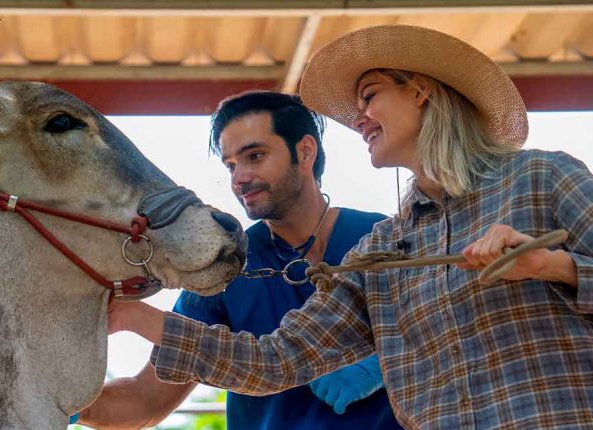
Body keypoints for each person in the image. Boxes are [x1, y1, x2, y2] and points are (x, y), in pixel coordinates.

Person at [108, 24, 593, 429]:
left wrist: (554, 266)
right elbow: (278, 360)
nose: (358, 118)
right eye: (231, 163)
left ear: (420, 90)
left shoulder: (542, 178)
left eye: (370, 95)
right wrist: (133, 317)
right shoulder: (385, 248)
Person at [75, 92, 401, 429]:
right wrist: (74, 402)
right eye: (230, 165)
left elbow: (448, 338)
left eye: (255, 156)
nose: (238, 178)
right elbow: (145, 401)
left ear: (305, 151)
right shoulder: (224, 265)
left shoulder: (384, 239)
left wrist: (380, 363)